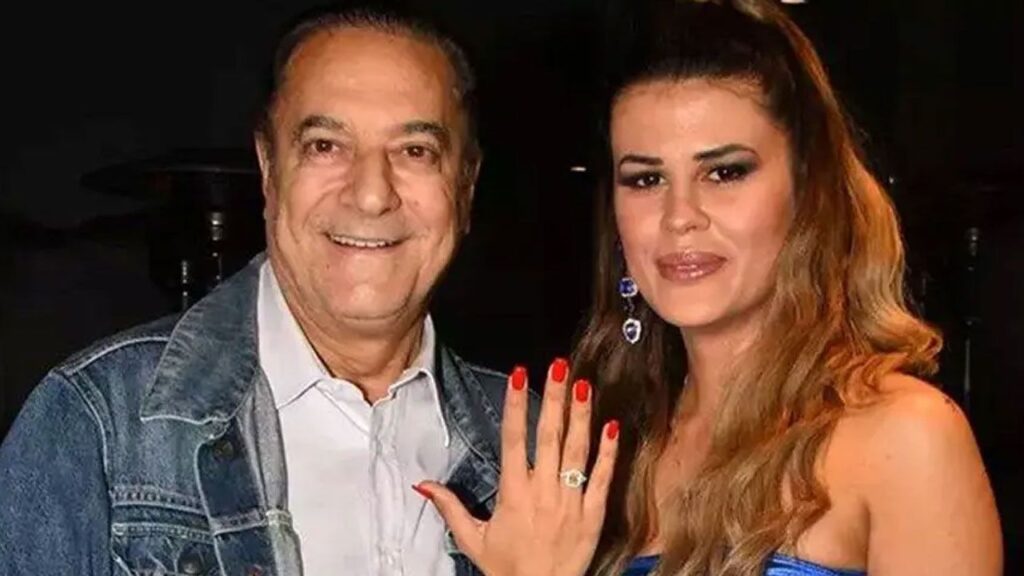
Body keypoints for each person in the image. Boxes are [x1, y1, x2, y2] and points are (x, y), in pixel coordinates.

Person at [423, 1, 1003, 575]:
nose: (680, 216)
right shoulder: (605, 443)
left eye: (724, 172)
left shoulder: (903, 437)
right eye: (646, 179)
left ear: (808, 193)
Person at [0, 5, 543, 575]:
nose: (371, 195)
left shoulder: (536, 447)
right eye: (325, 145)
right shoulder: (98, 424)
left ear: (466, 186)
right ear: (268, 168)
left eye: (415, 151)